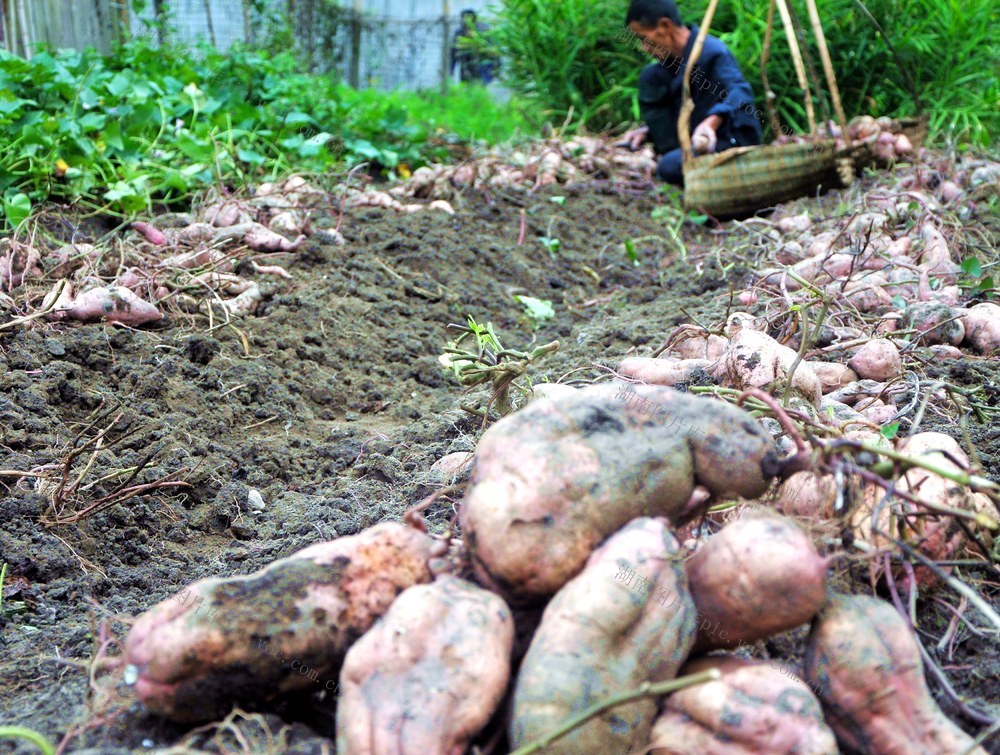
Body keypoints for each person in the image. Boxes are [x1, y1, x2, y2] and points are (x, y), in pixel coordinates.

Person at [618, 0, 761, 185]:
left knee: (669, 166)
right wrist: (650, 132)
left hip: (730, 140)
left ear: (665, 25)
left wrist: (712, 123)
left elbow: (740, 91)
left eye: (644, 38)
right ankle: (673, 153)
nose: (644, 47)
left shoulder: (711, 53)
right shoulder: (671, 64)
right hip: (694, 143)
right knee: (651, 75)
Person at [451, 9, 499, 84]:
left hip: (483, 65)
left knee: (481, 87)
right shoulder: (459, 32)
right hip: (466, 66)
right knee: (466, 88)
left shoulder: (484, 30)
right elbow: (453, 52)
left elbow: (494, 50)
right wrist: (451, 70)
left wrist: (496, 67)